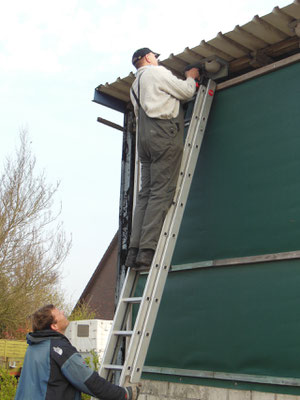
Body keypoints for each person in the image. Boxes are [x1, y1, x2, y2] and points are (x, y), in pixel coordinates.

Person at [125, 47, 200, 268]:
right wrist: (191, 77)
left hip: (144, 139)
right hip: (163, 134)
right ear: (148, 58)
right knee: (160, 192)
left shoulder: (134, 86)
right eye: (155, 57)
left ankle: (133, 250)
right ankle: (147, 251)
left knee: (145, 193)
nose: (157, 60)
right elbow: (186, 92)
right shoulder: (157, 73)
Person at [15, 304, 140, 400]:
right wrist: (124, 394)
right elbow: (89, 381)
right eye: (59, 313)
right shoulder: (59, 349)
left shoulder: (33, 347)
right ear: (54, 326)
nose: (63, 312)